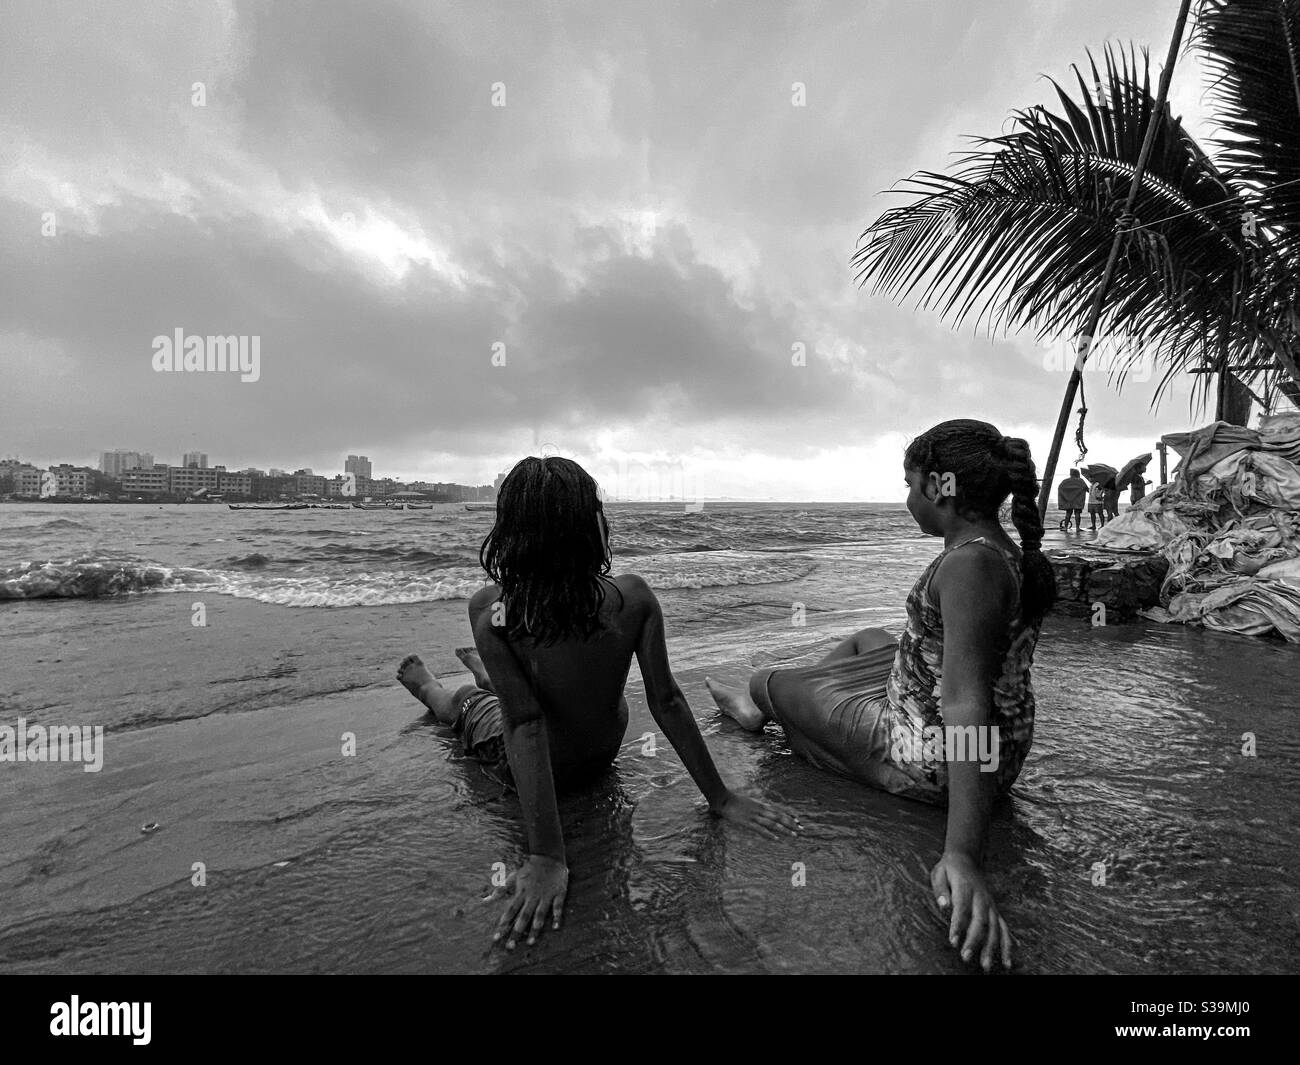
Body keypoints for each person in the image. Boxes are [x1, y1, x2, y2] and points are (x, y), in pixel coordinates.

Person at [397, 456, 797, 950]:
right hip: (599, 751)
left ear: (511, 534)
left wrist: (548, 856)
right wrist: (721, 797)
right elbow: (666, 700)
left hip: (530, 756)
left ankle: (443, 688)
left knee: (462, 707)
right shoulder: (633, 598)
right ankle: (475, 682)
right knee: (489, 701)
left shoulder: (490, 609)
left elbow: (525, 725)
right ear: (592, 525)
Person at [704, 420, 1056, 972]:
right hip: (993, 745)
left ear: (941, 488)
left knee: (764, 678)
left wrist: (962, 854)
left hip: (926, 751)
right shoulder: (1000, 551)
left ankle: (763, 708)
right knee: (870, 639)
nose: (907, 498)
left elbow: (965, 702)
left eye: (912, 484)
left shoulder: (969, 566)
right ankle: (803, 714)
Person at [1057, 468, 1087, 533]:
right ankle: (1077, 528)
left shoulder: (1065, 481)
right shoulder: (1081, 481)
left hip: (1068, 500)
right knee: (1077, 513)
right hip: (1078, 500)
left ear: (1071, 474)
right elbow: (1086, 489)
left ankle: (1065, 527)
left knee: (1068, 513)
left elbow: (1060, 489)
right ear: (1077, 474)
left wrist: (1065, 497)